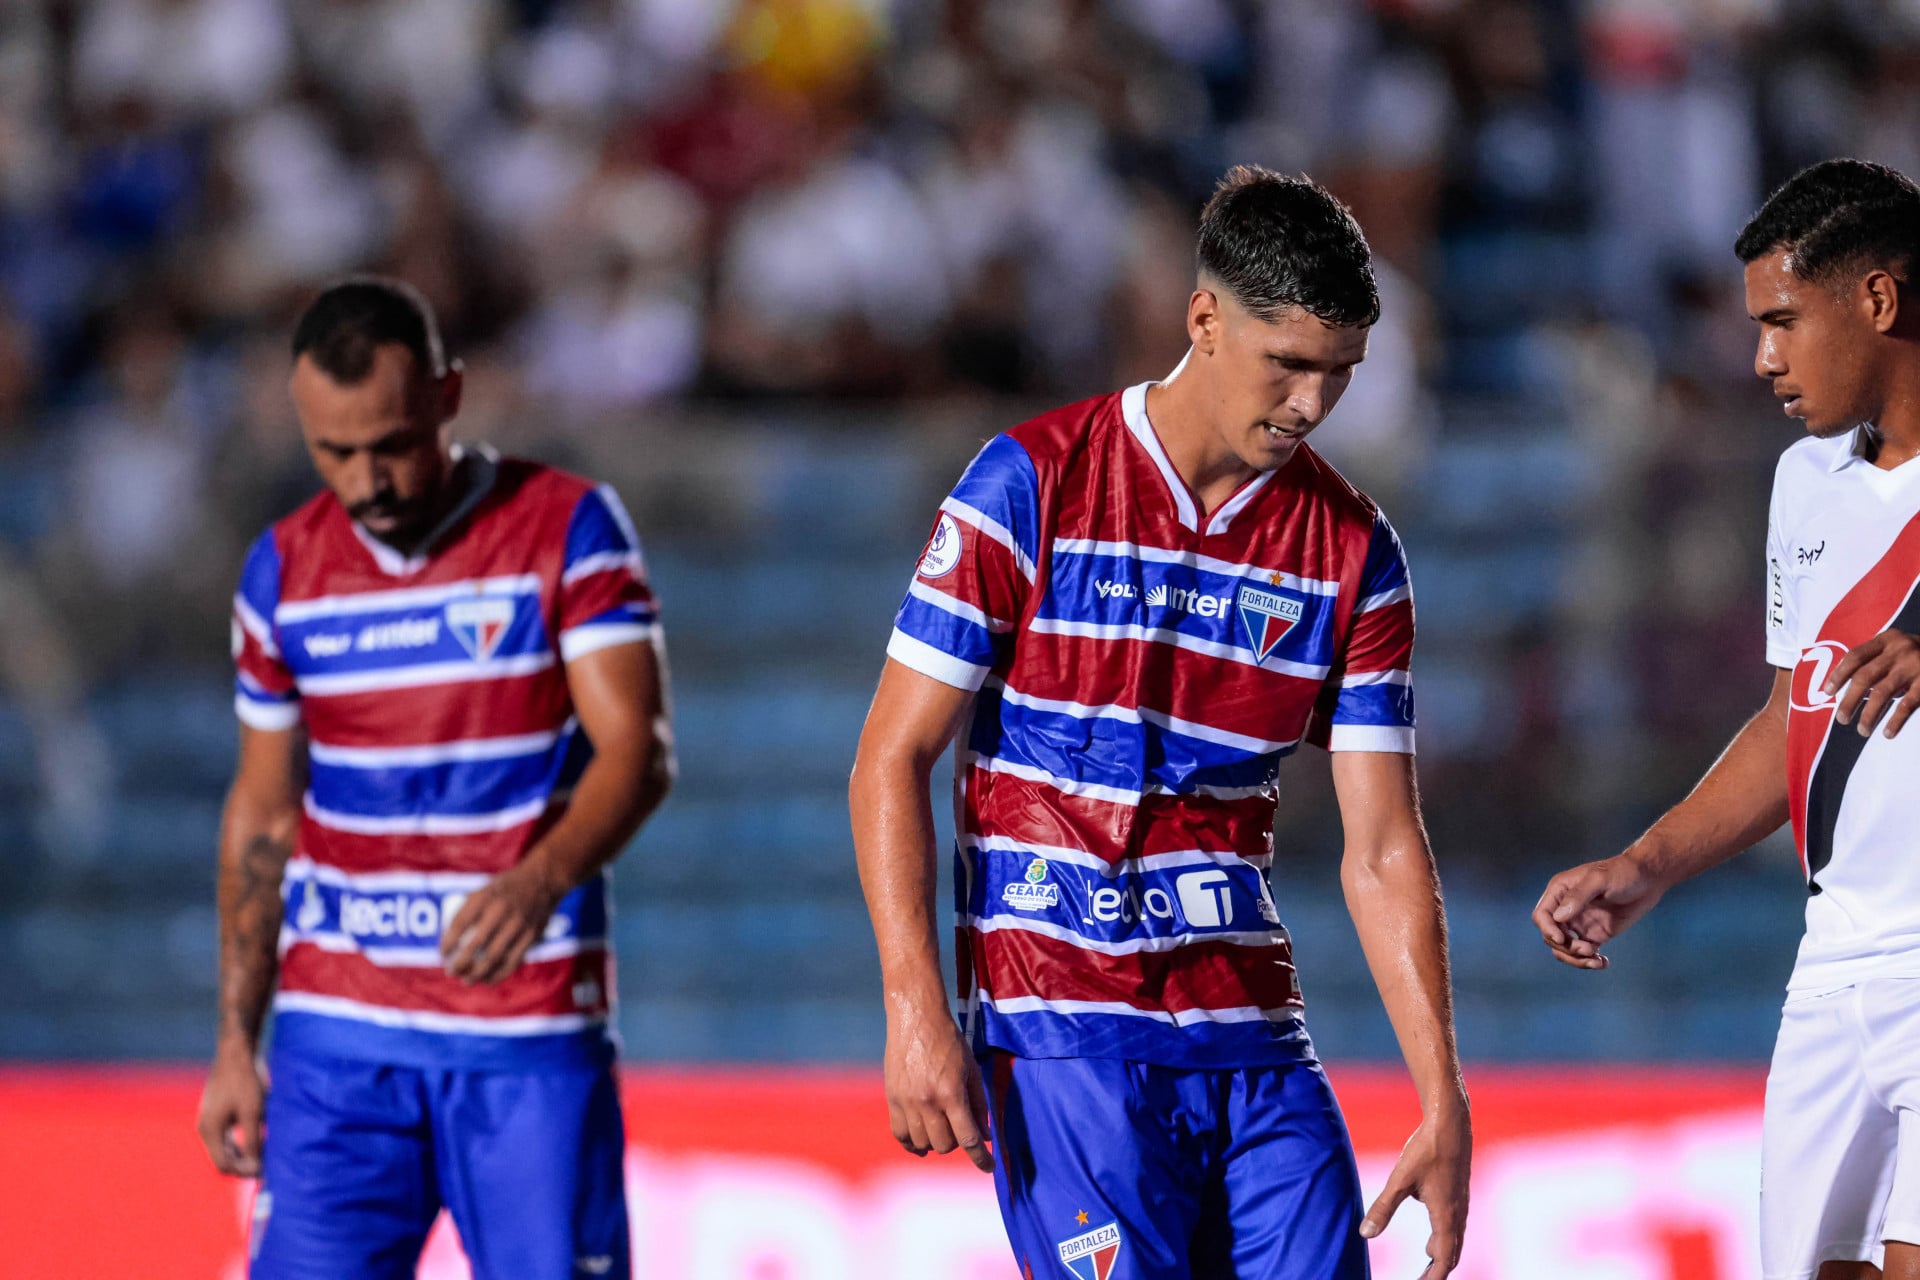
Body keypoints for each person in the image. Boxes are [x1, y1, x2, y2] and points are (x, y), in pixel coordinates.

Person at [850, 166, 1471, 1280]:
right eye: (1288, 364)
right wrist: (913, 1007)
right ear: (1203, 319)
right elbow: (893, 753)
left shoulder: (1353, 552)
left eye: (1340, 374)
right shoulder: (1030, 482)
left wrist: (1443, 1091)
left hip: (1251, 1028)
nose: (1311, 406)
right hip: (1062, 1021)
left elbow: (1382, 843)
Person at [193, 277, 673, 1279]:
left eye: (393, 443)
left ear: (449, 396)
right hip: (337, 1037)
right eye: (335, 451)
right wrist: (238, 1040)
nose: (368, 478)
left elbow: (638, 750)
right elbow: (263, 814)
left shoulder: (568, 528)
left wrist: (537, 880)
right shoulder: (280, 572)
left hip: (524, 1024)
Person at [1533, 159, 1920, 1280]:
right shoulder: (1805, 482)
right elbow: (1787, 717)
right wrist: (1649, 861)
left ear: (1880, 302)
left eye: (1784, 321)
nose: (1761, 358)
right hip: (1835, 961)